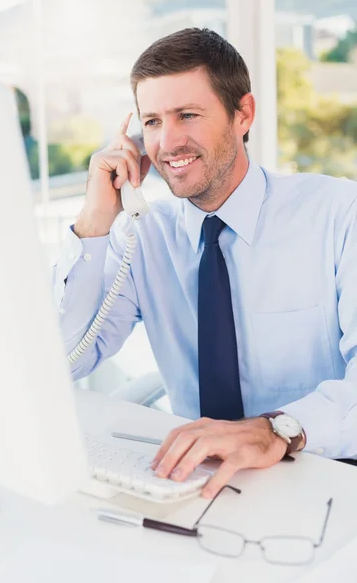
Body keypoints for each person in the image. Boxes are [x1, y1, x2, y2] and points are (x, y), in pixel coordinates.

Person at [54, 28, 357, 498]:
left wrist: (275, 429)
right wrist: (95, 221)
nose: (168, 142)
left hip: (326, 473)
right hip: (197, 484)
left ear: (244, 114)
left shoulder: (339, 214)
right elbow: (61, 361)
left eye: (187, 115)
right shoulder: (143, 237)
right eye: (151, 122)